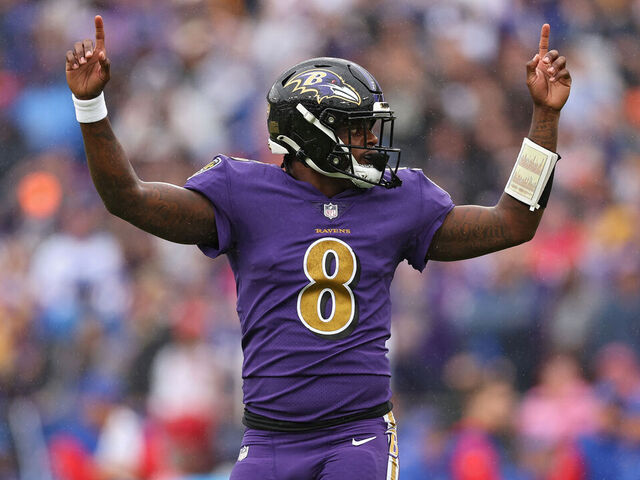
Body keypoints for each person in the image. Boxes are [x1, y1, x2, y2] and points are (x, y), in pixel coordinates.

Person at [65, 15, 571, 480]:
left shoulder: (398, 198)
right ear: (311, 134)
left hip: (356, 435)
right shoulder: (242, 192)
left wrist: (544, 117)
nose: (371, 142)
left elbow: (512, 222)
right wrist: (90, 106)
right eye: (357, 130)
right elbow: (126, 197)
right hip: (267, 437)